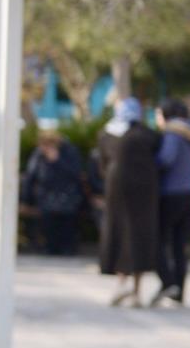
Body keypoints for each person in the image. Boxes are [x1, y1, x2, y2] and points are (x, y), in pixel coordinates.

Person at [97, 97, 160, 307]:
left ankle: (120, 283)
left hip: (116, 189)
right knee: (139, 236)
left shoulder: (106, 134)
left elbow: (102, 165)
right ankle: (136, 291)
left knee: (118, 233)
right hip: (145, 193)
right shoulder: (148, 135)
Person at [152, 98, 190, 306]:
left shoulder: (173, 133)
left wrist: (148, 163)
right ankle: (179, 291)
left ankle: (168, 282)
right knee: (180, 245)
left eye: (158, 114)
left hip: (172, 193)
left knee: (157, 241)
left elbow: (166, 159)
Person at [20, 119, 85, 255]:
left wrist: (57, 161)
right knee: (48, 218)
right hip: (46, 196)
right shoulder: (39, 155)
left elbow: (75, 173)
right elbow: (31, 176)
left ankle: (66, 248)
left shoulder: (69, 151)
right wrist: (26, 200)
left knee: (66, 219)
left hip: (68, 196)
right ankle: (50, 247)